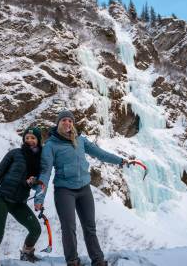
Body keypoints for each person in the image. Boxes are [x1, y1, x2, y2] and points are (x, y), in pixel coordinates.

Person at [36, 110, 128, 266]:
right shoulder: (51, 145)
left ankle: (98, 260)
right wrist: (39, 198)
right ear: (58, 123)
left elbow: (101, 154)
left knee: (90, 227)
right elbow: (45, 172)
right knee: (69, 227)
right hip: (64, 190)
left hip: (84, 189)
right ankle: (72, 261)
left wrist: (120, 160)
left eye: (70, 121)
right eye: (64, 120)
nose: (67, 123)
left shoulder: (80, 140)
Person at [0, 127, 44, 266]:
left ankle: (26, 253)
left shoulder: (39, 162)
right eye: (27, 138)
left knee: (36, 229)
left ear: (38, 141)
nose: (29, 140)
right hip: (2, 198)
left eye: (33, 138)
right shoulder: (15, 154)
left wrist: (31, 183)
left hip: (19, 203)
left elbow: (34, 185)